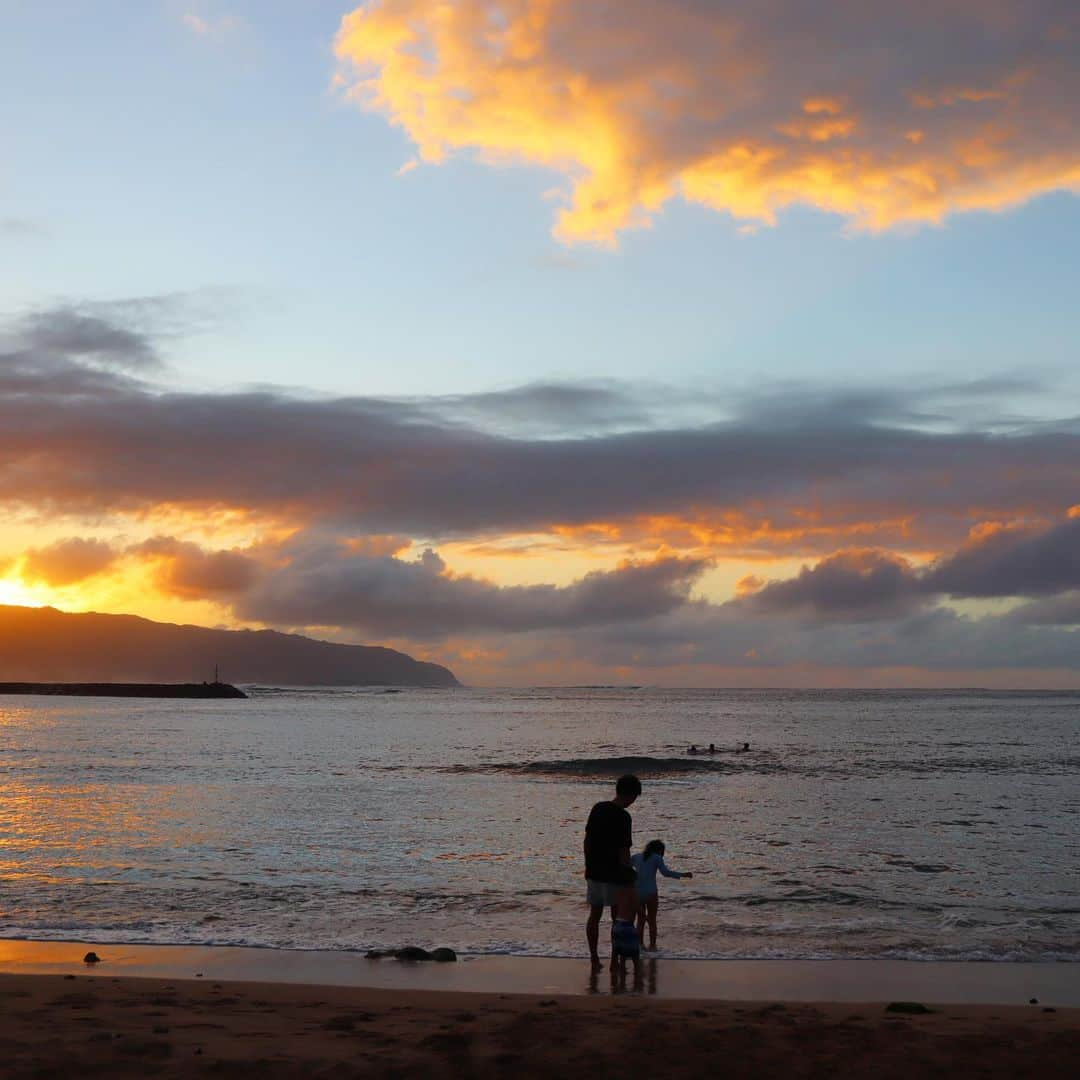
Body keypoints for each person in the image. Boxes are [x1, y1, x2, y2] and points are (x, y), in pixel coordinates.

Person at [584, 773, 642, 966]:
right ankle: (615, 961)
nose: (633, 802)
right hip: (614, 874)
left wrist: (588, 866)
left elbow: (588, 840)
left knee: (595, 915)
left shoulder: (598, 808)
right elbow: (624, 851)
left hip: (594, 871)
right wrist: (629, 875)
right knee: (618, 918)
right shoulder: (624, 817)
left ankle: (594, 957)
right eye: (634, 798)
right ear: (631, 795)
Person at [631, 839, 692, 951]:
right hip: (651, 892)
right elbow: (665, 873)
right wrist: (683, 875)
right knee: (652, 920)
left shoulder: (636, 857)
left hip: (637, 892)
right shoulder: (657, 858)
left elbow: (625, 866)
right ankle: (653, 947)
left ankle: (640, 946)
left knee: (640, 920)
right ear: (659, 850)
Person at [609, 881, 642, 982]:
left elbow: (614, 912)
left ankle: (622, 984)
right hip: (628, 926)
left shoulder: (617, 891)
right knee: (635, 958)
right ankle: (637, 984)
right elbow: (640, 913)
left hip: (617, 926)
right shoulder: (633, 892)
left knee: (622, 957)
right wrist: (639, 931)